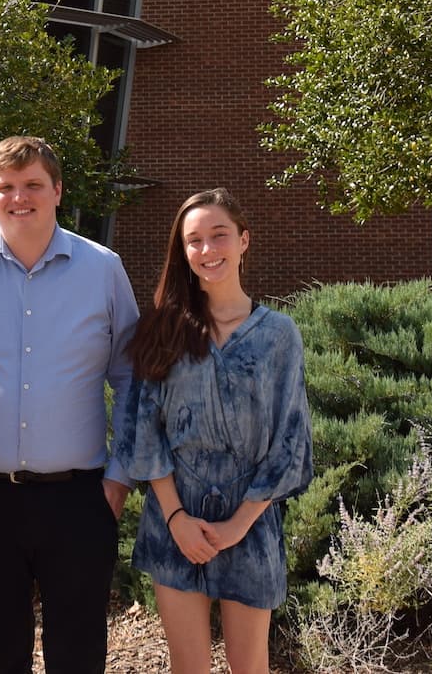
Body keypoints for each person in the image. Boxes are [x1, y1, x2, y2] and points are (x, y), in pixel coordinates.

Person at [0, 135, 141, 674]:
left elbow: (131, 378)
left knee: (77, 658)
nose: (18, 197)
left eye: (32, 185)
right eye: (5, 186)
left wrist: (118, 480)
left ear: (57, 191)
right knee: (3, 658)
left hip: (79, 501)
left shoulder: (103, 269)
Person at [119, 188, 312, 674]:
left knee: (251, 668)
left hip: (251, 522)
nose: (207, 250)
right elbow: (143, 431)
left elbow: (290, 440)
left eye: (218, 236)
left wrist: (238, 525)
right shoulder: (164, 328)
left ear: (244, 240)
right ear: (182, 252)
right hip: (173, 521)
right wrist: (177, 518)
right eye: (194, 241)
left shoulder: (278, 335)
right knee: (188, 668)